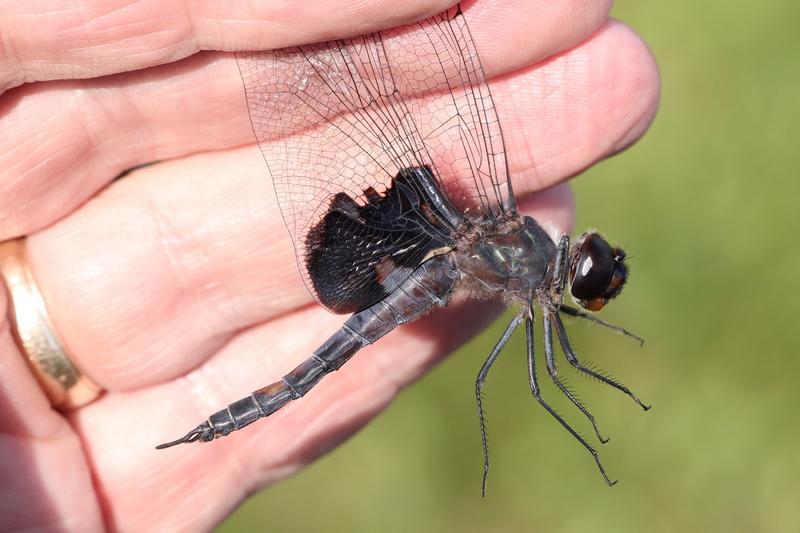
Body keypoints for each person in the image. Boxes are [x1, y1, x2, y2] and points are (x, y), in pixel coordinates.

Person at [0, 1, 660, 530]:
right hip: (429, 266)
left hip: (432, 262)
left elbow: (554, 369)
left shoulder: (526, 257)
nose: (587, 264)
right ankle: (224, 418)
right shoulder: (535, 282)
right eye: (590, 271)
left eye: (589, 268)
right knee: (318, 377)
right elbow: (548, 374)